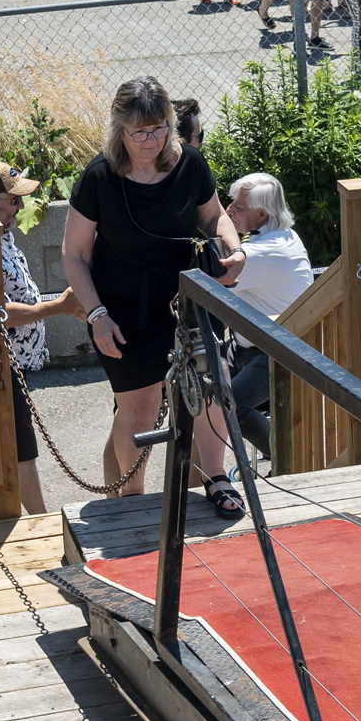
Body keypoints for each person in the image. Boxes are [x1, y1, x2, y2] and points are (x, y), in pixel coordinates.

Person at [62, 77, 248, 514]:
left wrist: (234, 248)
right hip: (120, 309)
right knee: (140, 406)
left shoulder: (190, 163)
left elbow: (214, 217)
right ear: (119, 130)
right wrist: (97, 314)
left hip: (185, 298)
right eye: (140, 132)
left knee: (213, 381)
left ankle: (216, 476)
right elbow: (74, 254)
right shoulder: (98, 177)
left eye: (160, 128)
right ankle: (133, 497)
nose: (151, 140)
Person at [0, 163, 86, 516]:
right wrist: (58, 307)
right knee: (20, 447)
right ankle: (41, 522)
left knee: (8, 444)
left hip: (5, 360)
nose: (20, 207)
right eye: (13, 201)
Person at [223, 173, 313, 459]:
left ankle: (287, 458)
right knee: (205, 387)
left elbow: (211, 279)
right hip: (260, 346)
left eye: (238, 207)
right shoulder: (283, 235)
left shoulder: (258, 254)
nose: (229, 210)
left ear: (261, 214)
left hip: (275, 354)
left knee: (227, 406)